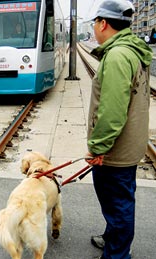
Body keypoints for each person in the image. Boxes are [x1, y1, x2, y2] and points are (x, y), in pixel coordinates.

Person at [85, 1, 153, 259]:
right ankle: (114, 239)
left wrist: (98, 147)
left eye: (94, 23)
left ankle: (117, 255)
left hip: (115, 150)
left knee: (119, 205)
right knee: (120, 201)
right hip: (128, 144)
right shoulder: (132, 50)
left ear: (103, 23)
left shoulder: (116, 56)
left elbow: (112, 111)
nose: (94, 28)